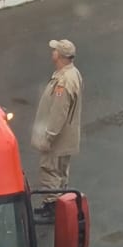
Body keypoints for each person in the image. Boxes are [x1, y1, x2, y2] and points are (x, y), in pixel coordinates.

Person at [31, 38, 83, 222]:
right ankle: (60, 205)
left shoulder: (64, 82)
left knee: (50, 170)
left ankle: (52, 207)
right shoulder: (72, 73)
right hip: (67, 137)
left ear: (60, 56)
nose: (52, 52)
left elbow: (58, 113)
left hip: (58, 139)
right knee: (60, 171)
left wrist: (49, 136)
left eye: (54, 50)